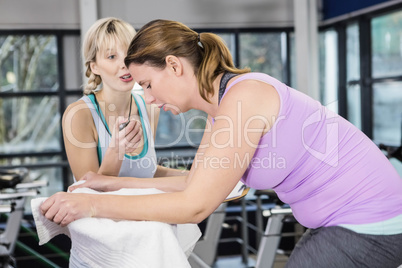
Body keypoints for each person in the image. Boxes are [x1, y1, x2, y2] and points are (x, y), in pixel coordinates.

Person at [42, 19, 402, 267]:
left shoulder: (242, 100)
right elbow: (197, 179)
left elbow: (194, 206)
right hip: (342, 223)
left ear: (174, 65)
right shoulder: (222, 106)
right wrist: (112, 182)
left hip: (369, 223)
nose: (148, 99)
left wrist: (89, 206)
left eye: (149, 84)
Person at [63, 17, 187, 189]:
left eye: (129, 54)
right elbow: (88, 191)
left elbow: (147, 172)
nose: (124, 64)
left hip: (144, 213)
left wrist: (195, 174)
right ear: (94, 67)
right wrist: (115, 151)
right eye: (112, 56)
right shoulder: (79, 114)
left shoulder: (150, 108)